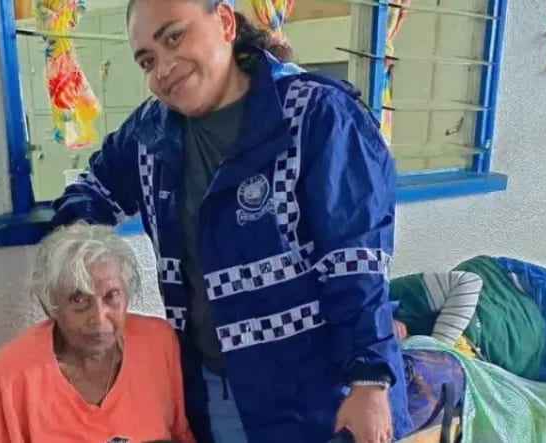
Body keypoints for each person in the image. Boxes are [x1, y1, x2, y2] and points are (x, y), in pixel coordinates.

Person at [44, 0, 414, 441]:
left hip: (323, 393)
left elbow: (356, 263)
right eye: (147, 60)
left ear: (223, 21)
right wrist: (80, 254)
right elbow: (92, 189)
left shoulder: (315, 114)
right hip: (218, 394)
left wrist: (369, 381)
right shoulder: (150, 136)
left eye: (174, 37)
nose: (163, 68)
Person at [0, 223, 195, 443]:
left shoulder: (157, 343)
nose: (99, 318)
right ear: (51, 306)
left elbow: (182, 434)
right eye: (79, 300)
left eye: (112, 295)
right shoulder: (12, 373)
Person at [390, 255, 546, 384]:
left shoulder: (395, 296)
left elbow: (468, 282)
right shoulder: (398, 359)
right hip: (531, 362)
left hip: (508, 290)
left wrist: (438, 352)